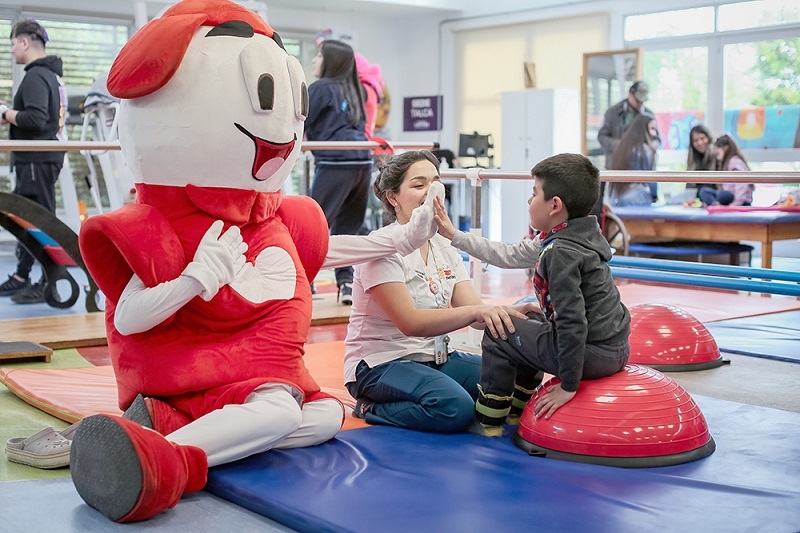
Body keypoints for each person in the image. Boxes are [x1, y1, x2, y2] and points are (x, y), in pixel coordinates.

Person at [435, 153, 630, 436]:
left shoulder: (560, 253)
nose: (528, 201)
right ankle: (517, 412)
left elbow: (572, 323)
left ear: (554, 205)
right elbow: (508, 254)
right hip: (616, 350)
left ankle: (489, 422)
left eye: (533, 193)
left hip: (591, 355)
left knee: (497, 330)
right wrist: (454, 235)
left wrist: (568, 385)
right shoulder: (578, 235)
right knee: (525, 317)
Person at [343, 150, 535, 433]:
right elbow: (410, 323)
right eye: (419, 185)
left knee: (507, 382)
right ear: (392, 197)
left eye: (436, 183)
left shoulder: (442, 245)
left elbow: (476, 313)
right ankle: (370, 407)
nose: (431, 192)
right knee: (454, 407)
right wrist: (476, 311)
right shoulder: (381, 247)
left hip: (436, 358)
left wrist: (511, 312)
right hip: (381, 363)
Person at [0, 19, 66, 304]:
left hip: (37, 160)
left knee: (39, 224)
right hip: (36, 161)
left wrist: (5, 113)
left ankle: (48, 281)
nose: (12, 50)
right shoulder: (47, 75)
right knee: (27, 222)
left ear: (24, 42)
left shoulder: (37, 76)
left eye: (13, 43)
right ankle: (23, 276)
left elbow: (36, 119)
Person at [306, 39, 372, 305]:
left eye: (319, 56)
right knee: (348, 229)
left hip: (337, 163)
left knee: (314, 225)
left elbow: (300, 121)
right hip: (362, 164)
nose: (314, 61)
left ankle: (304, 279)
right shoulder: (357, 91)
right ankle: (346, 283)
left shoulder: (320, 88)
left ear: (330, 61)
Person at [595, 81, 658, 215]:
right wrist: (622, 146)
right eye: (637, 100)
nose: (640, 104)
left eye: (643, 101)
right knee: (609, 210)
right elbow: (602, 136)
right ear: (630, 94)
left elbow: (657, 140)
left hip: (638, 173)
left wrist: (645, 147)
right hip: (615, 168)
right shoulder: (613, 112)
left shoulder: (648, 115)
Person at [607, 114, 659, 206]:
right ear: (643, 129)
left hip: (614, 199)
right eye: (652, 128)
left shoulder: (620, 147)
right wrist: (654, 196)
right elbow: (652, 179)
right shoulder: (647, 150)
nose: (654, 133)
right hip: (638, 200)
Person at [698, 134, 754, 206]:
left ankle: (717, 204)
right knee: (704, 191)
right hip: (730, 197)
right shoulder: (728, 163)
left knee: (722, 195)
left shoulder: (735, 163)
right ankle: (716, 204)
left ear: (725, 148)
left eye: (718, 154)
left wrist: (736, 203)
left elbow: (742, 184)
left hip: (740, 201)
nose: (718, 158)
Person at [685, 124, 716, 198]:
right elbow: (689, 187)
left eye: (702, 138)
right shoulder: (693, 160)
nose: (700, 143)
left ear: (708, 137)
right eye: (695, 140)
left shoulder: (716, 157)